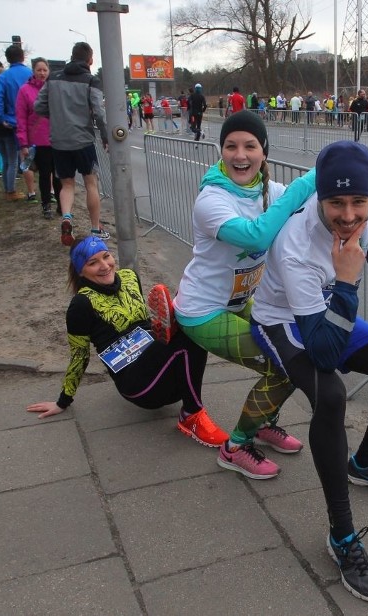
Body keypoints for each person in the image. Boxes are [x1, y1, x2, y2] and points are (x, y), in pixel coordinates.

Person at [249, 141, 368, 603]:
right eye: (335, 204)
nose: (348, 216)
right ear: (319, 198)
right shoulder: (295, 246)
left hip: (330, 308)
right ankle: (342, 537)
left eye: (358, 204)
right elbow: (324, 353)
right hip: (283, 318)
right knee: (330, 396)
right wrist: (346, 280)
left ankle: (364, 463)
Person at [167, 111, 318, 478]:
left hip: (241, 301)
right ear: (220, 152)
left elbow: (308, 216)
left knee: (291, 356)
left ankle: (263, 422)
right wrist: (308, 180)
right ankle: (235, 447)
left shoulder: (270, 193)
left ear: (263, 151)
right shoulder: (211, 199)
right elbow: (255, 236)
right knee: (282, 368)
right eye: (231, 146)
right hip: (202, 311)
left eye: (250, 146)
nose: (240, 155)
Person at [26, 237, 230, 448]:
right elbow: (80, 355)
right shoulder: (81, 304)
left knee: (192, 329)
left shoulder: (130, 277)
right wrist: (62, 401)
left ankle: (178, 318)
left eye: (106, 256)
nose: (104, 266)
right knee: (182, 336)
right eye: (93, 262)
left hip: (166, 373)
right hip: (139, 384)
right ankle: (191, 416)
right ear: (80, 271)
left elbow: (141, 320)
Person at [35, 41, 110, 246]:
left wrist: (56, 117)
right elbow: (99, 112)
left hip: (59, 141)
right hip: (83, 139)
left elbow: (38, 106)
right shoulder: (90, 81)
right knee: (90, 183)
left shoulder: (54, 78)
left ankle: (67, 217)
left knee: (66, 184)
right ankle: (95, 229)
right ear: (90, 60)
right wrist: (105, 137)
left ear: (71, 56)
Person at [16, 57, 60, 219]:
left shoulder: (55, 88)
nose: (42, 73)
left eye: (45, 70)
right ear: (33, 71)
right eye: (39, 70)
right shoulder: (25, 90)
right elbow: (21, 118)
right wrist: (23, 143)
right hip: (39, 140)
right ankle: (46, 205)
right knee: (44, 173)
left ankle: (62, 206)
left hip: (57, 137)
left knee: (59, 174)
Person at [0, 44, 32, 201]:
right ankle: (13, 191)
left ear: (8, 59)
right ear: (23, 57)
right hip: (28, 122)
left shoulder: (4, 76)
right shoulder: (30, 74)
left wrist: (1, 118)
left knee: (8, 158)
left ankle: (9, 190)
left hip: (10, 121)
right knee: (19, 158)